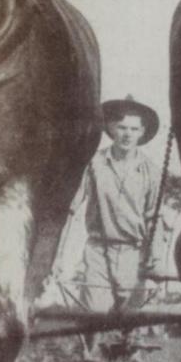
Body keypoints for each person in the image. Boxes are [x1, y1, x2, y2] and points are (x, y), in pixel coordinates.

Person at [53, 95, 164, 316]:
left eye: (133, 129)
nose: (127, 134)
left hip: (134, 255)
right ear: (112, 129)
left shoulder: (151, 171)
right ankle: (92, 350)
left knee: (131, 328)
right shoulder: (94, 164)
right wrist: (57, 255)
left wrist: (156, 260)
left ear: (142, 132)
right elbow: (71, 209)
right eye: (122, 127)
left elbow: (154, 217)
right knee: (95, 318)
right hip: (98, 253)